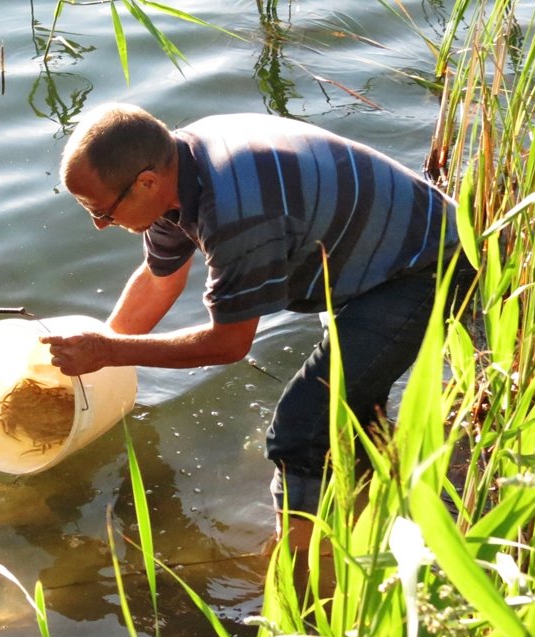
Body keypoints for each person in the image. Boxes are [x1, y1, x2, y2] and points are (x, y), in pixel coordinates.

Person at [41, 102, 471, 548]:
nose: (98, 225)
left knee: (301, 429)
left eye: (104, 211)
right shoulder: (178, 169)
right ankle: (404, 493)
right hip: (369, 258)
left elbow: (228, 344)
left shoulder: (236, 211)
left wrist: (109, 351)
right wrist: (95, 362)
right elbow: (158, 281)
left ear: (146, 182)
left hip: (428, 267)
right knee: (349, 410)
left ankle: (300, 567)